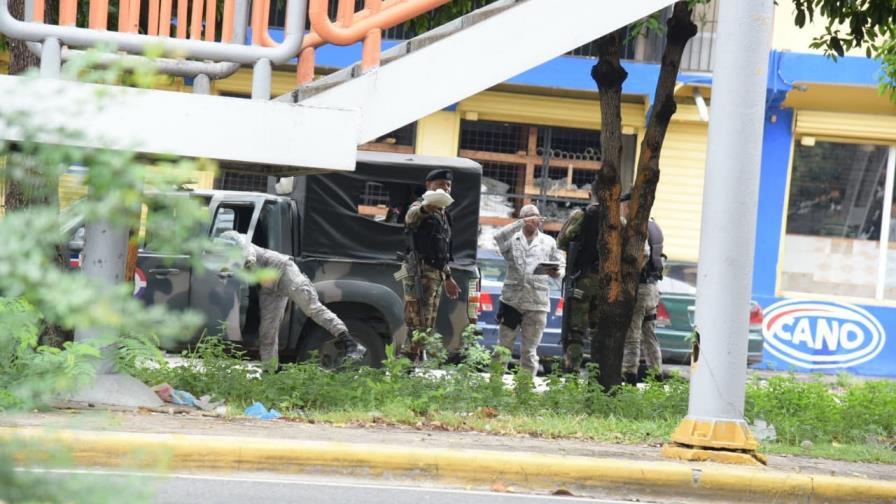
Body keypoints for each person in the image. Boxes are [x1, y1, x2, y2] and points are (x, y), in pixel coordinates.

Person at [217, 230, 360, 368]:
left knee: (313, 308)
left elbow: (249, 253)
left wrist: (248, 262)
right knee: (267, 332)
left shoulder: (239, 240)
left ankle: (350, 342)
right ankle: (270, 370)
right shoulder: (230, 254)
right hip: (269, 286)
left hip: (284, 271)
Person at [492, 205, 564, 375]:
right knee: (502, 349)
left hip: (537, 304)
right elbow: (498, 236)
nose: (536, 220)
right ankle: (494, 388)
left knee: (529, 352)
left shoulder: (549, 241)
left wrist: (557, 272)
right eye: (531, 216)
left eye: (538, 216)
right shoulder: (512, 239)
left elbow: (561, 266)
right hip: (512, 302)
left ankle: (524, 391)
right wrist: (520, 223)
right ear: (522, 219)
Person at [399, 169, 461, 360]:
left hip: (435, 275)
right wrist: (426, 208)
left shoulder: (444, 215)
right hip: (418, 273)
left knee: (426, 326)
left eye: (448, 185)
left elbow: (440, 251)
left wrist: (448, 277)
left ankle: (413, 366)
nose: (445, 187)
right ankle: (403, 368)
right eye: (440, 183)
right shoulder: (421, 206)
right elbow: (410, 217)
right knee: (417, 323)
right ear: (429, 185)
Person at [619, 192, 664, 384]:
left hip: (641, 287)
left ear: (629, 206)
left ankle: (629, 375)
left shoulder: (639, 226)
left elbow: (644, 253)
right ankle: (657, 375)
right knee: (649, 334)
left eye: (624, 206)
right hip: (652, 289)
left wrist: (630, 275)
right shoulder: (654, 225)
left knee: (633, 334)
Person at [556, 193, 602, 372]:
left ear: (590, 194)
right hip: (605, 284)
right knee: (599, 332)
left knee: (575, 332)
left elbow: (561, 242)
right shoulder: (618, 221)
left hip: (581, 280)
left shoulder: (580, 216)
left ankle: (572, 371)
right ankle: (599, 374)